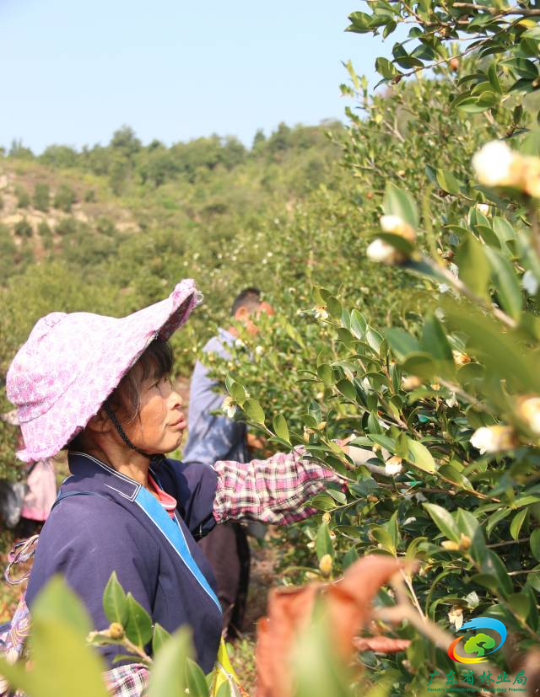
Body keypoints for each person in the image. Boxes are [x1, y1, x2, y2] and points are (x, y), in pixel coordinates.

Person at [4, 279, 346, 690]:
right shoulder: (95, 528)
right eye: (156, 387)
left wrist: (351, 459)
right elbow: (115, 681)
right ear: (98, 417)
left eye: (168, 382)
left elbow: (255, 486)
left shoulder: (153, 481)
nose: (176, 397)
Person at [183, 288, 273, 639]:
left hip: (227, 473)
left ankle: (228, 645)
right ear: (242, 317)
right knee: (221, 572)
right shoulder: (223, 350)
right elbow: (230, 413)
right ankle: (211, 661)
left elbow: (231, 418)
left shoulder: (235, 355)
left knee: (238, 564)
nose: (268, 329)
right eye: (264, 321)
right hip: (211, 475)